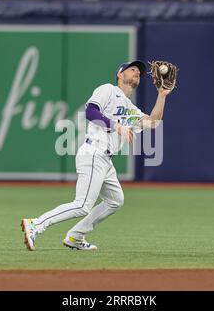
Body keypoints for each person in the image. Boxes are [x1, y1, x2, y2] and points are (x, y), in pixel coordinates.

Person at [21, 60, 173, 251]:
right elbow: (91, 112)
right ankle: (36, 224)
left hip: (106, 160)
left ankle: (75, 236)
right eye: (132, 69)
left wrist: (162, 96)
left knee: (115, 200)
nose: (136, 73)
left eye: (138, 72)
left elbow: (152, 123)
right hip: (94, 152)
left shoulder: (130, 108)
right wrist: (116, 126)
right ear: (120, 74)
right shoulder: (108, 90)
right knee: (82, 205)